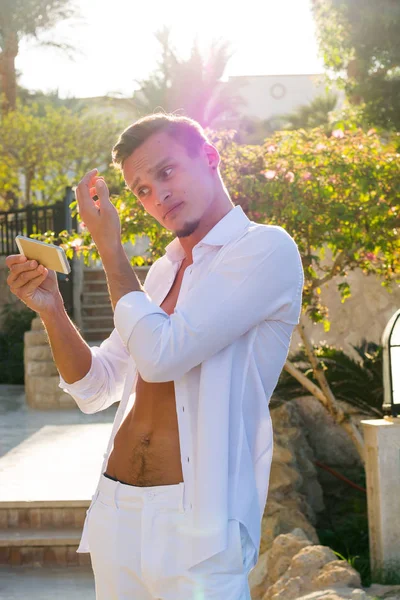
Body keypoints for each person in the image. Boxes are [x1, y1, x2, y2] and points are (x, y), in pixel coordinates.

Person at [6, 113, 304, 600]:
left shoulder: (264, 250)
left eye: (166, 172)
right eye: (141, 189)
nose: (156, 195)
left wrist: (110, 249)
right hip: (117, 511)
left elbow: (164, 357)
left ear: (210, 158)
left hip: (198, 525)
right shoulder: (164, 274)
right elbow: (94, 387)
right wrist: (53, 310)